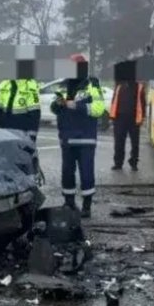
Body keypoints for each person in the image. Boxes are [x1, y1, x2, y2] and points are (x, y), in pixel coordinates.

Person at [51, 54, 105, 217]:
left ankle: (87, 207)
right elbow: (54, 108)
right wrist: (57, 105)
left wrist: (77, 106)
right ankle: (69, 203)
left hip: (85, 137)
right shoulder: (62, 85)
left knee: (86, 172)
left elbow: (99, 108)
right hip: (67, 137)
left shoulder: (92, 84)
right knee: (67, 171)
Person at [0, 59, 42, 143]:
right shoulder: (4, 84)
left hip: (22, 131)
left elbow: (35, 114)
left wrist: (32, 135)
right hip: (4, 131)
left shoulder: (30, 85)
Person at [110, 65, 145, 171]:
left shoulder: (138, 86)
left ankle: (133, 163)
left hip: (134, 119)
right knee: (119, 142)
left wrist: (141, 117)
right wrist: (112, 117)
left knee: (135, 143)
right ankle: (118, 163)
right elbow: (114, 100)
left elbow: (143, 103)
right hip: (119, 118)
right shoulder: (118, 85)